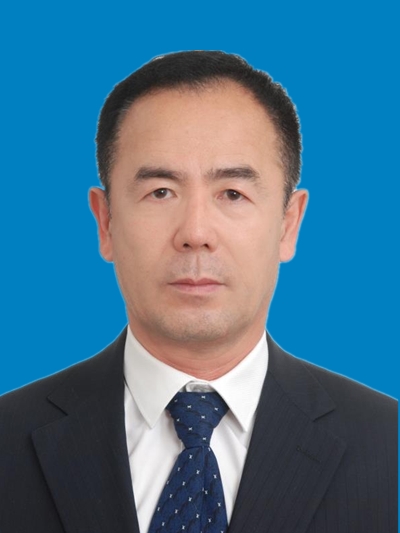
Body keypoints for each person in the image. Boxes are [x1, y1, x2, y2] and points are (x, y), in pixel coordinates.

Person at [0, 51, 397, 533]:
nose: (195, 232)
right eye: (160, 192)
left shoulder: (388, 443)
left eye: (232, 193)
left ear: (288, 224)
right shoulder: (8, 438)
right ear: (105, 222)